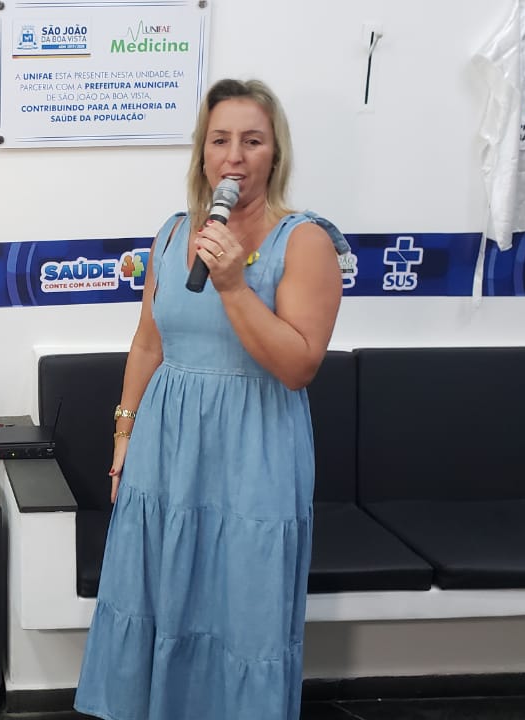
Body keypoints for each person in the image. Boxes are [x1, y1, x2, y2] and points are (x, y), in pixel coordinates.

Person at [74, 78, 345, 720]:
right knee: (154, 595)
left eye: (252, 141)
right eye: (220, 140)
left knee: (243, 609)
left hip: (256, 449)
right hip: (165, 446)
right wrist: (124, 432)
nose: (235, 156)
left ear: (275, 154)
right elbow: (148, 342)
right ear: (202, 154)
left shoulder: (304, 241)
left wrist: (233, 286)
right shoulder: (174, 235)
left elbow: (298, 366)